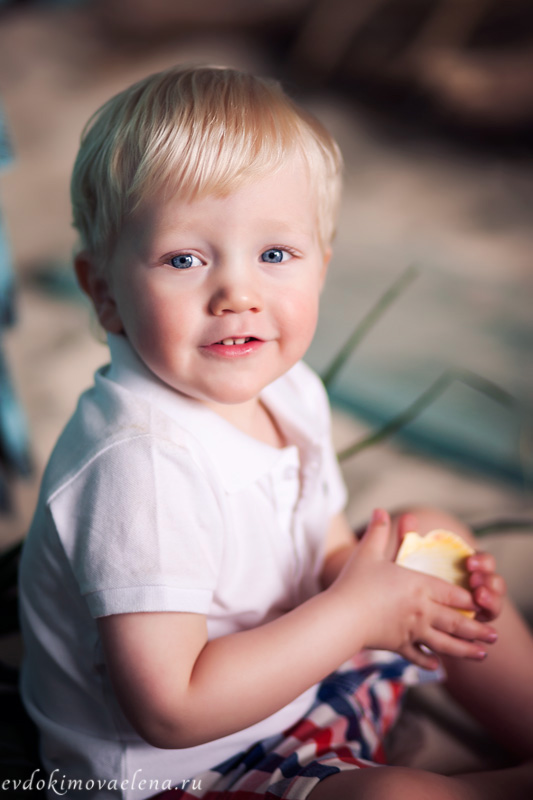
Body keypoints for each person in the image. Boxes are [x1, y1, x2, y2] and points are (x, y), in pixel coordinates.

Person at [18, 65, 533, 800]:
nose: (238, 294)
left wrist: (399, 595)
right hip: (191, 770)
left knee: (427, 536)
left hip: (298, 685)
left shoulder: (287, 389)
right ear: (104, 293)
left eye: (274, 255)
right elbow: (171, 709)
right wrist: (354, 612)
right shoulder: (140, 467)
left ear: (320, 268)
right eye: (184, 259)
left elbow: (320, 547)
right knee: (395, 798)